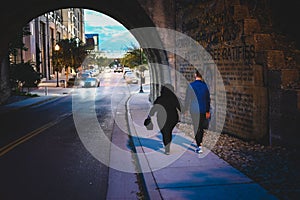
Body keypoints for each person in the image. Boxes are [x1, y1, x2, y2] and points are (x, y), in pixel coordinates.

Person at [148, 84, 181, 155]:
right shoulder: (174, 98)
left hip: (161, 118)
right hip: (173, 118)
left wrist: (150, 116)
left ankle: (167, 148)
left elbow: (154, 109)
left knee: (165, 132)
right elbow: (180, 107)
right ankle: (167, 146)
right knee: (169, 132)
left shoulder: (160, 99)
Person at [184, 70, 211, 154]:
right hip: (203, 109)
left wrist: (185, 109)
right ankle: (200, 145)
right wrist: (207, 111)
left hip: (194, 110)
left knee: (196, 127)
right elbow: (207, 99)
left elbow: (187, 99)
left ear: (195, 75)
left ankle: (198, 145)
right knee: (201, 127)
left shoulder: (191, 86)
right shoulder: (205, 86)